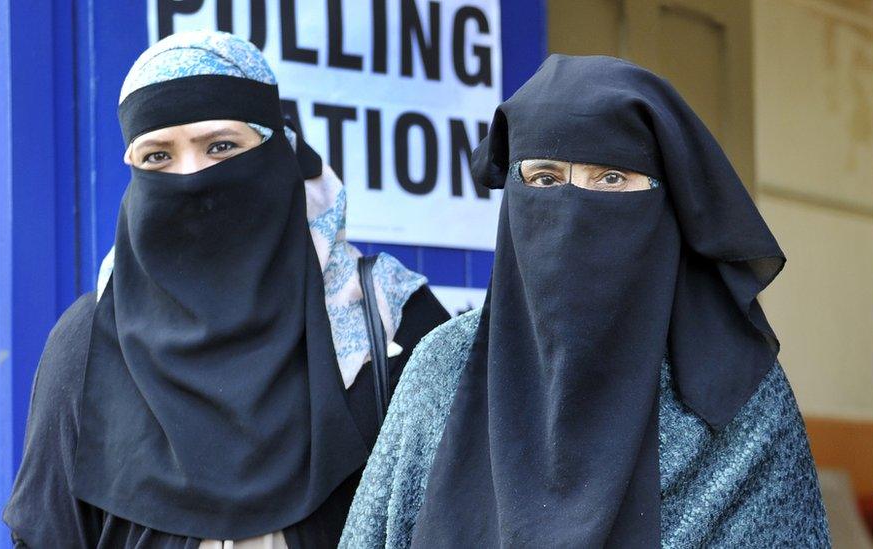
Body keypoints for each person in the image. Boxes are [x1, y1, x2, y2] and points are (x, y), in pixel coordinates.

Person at [338, 54, 830, 548]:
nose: (571, 213)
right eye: (545, 179)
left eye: (611, 178)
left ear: (666, 200)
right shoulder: (443, 366)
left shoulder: (733, 389)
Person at [3, 31, 450, 548]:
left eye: (221, 146)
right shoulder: (88, 344)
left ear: (277, 149)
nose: (192, 177)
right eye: (157, 157)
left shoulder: (391, 320)